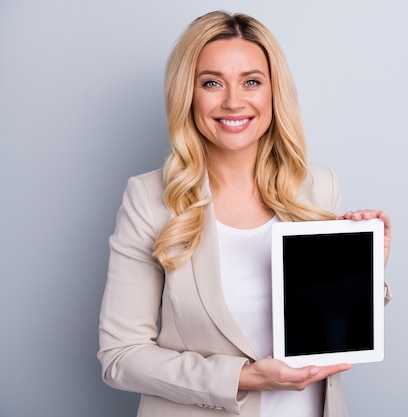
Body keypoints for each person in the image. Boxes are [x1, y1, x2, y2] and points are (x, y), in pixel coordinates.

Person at [97, 10, 392, 417]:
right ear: (188, 93)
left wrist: (366, 273)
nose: (233, 101)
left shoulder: (318, 187)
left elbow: (329, 328)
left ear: (273, 93)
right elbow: (120, 358)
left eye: (251, 81)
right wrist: (244, 377)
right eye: (212, 83)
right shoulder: (150, 198)